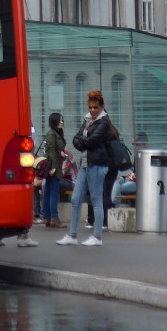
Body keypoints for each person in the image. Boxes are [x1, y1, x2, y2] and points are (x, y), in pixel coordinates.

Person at [56, 90, 112, 247]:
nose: (93, 110)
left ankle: (97, 236)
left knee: (96, 200)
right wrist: (83, 140)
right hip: (86, 164)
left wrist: (82, 140)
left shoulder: (104, 122)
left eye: (96, 107)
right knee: (75, 199)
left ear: (101, 107)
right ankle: (72, 235)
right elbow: (77, 139)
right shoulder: (88, 119)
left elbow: (91, 141)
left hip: (97, 165)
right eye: (91, 107)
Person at [42, 112, 66, 228]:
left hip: (53, 165)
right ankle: (54, 218)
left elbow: (56, 149)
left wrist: (61, 153)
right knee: (53, 193)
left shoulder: (56, 133)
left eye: (62, 120)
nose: (62, 122)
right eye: (60, 120)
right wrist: (54, 167)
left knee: (48, 191)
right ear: (54, 122)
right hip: (52, 166)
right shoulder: (52, 134)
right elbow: (51, 151)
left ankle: (48, 217)